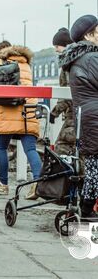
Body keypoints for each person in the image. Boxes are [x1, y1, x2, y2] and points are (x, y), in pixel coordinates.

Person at [0, 43, 42, 199]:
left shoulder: (1, 63)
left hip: (9, 111)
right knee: (30, 149)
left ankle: (3, 185)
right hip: (29, 110)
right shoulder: (26, 65)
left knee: (1, 147)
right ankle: (38, 183)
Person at [59, 14, 98, 220]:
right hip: (95, 119)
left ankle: (87, 207)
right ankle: (87, 209)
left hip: (88, 118)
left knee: (93, 165)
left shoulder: (78, 59)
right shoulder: (91, 58)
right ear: (89, 34)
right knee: (94, 168)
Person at [50, 28, 75, 155]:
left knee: (63, 145)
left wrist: (55, 112)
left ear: (65, 45)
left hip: (75, 114)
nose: (55, 49)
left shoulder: (70, 64)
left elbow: (69, 92)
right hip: (80, 111)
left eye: (57, 46)